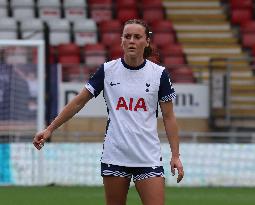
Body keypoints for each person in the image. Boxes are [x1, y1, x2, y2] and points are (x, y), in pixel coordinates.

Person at [33, 19, 184, 205]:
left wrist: (175, 155)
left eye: (137, 37)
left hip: (147, 156)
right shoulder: (108, 70)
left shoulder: (159, 74)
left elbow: (169, 117)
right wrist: (50, 129)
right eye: (127, 36)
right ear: (121, 41)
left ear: (147, 41)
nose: (132, 41)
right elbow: (78, 102)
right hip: (115, 155)